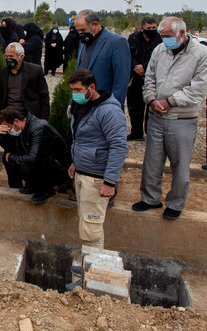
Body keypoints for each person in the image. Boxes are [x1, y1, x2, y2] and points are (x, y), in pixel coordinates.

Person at [132, 17, 207, 220]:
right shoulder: (159, 50)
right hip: (156, 115)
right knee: (152, 161)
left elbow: (198, 89)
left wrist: (170, 102)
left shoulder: (201, 54)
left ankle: (175, 203)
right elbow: (149, 78)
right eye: (162, 36)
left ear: (182, 33)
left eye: (167, 36)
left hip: (182, 118)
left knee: (180, 164)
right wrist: (151, 99)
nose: (164, 40)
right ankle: (149, 199)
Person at [68, 69, 128, 249]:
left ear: (91, 87)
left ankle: (94, 269)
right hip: (82, 172)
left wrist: (110, 182)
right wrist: (75, 162)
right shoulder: (82, 106)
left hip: (95, 178)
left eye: (78, 90)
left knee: (91, 230)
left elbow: (119, 147)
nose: (75, 94)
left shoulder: (109, 111)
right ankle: (87, 268)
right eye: (73, 90)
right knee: (85, 224)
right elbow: (81, 139)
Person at [0, 106, 71, 204]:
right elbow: (10, 148)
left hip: (57, 166)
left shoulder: (38, 128)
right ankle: (23, 186)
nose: (9, 131)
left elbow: (32, 158)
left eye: (8, 128)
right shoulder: (21, 127)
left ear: (16, 121)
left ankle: (45, 190)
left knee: (24, 167)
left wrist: (12, 157)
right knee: (8, 159)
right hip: (41, 160)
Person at [74, 9, 131, 107]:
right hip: (83, 105)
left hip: (104, 105)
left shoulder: (117, 43)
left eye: (83, 30)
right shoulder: (83, 43)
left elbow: (121, 82)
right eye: (78, 31)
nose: (81, 34)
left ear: (95, 24)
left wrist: (114, 108)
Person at [0, 43, 50, 122]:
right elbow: (0, 97)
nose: (8, 59)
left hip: (28, 115)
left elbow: (44, 96)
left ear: (21, 57)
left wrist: (44, 118)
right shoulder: (1, 73)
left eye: (11, 56)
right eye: (6, 56)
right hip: (7, 115)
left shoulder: (35, 71)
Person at [126, 16, 162, 141]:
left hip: (154, 78)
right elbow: (128, 54)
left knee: (151, 106)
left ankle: (150, 133)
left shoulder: (160, 40)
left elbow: (161, 59)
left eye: (154, 28)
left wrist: (145, 68)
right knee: (134, 106)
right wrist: (136, 67)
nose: (151, 30)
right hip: (135, 77)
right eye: (149, 28)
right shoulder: (133, 38)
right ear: (142, 28)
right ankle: (136, 132)